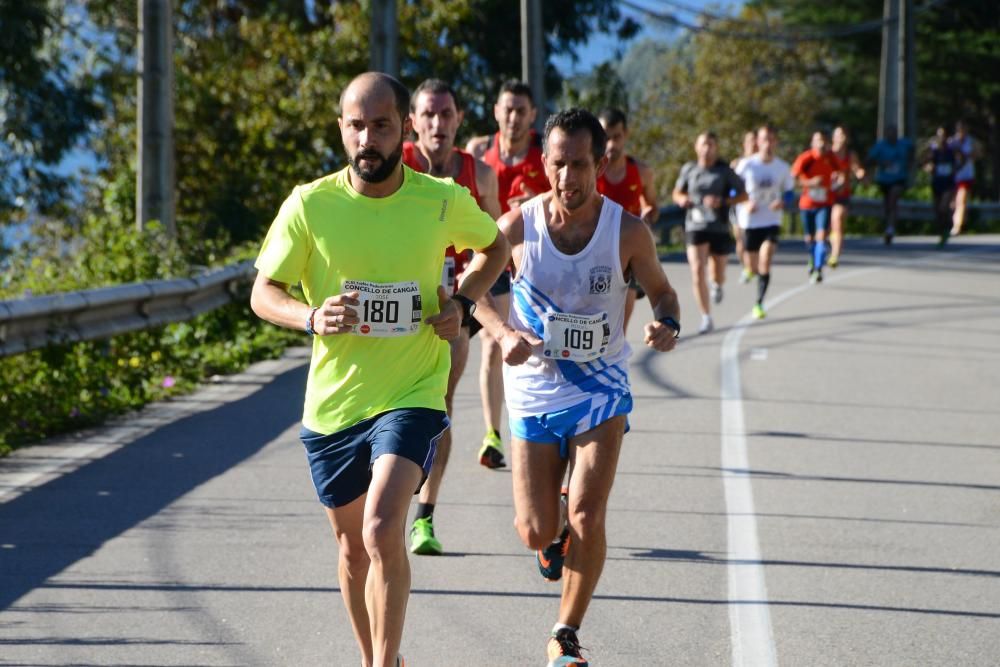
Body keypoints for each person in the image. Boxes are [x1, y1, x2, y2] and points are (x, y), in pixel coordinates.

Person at [249, 72, 510, 667]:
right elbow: (265, 291)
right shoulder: (309, 204)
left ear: (405, 129)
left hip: (413, 388)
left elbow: (495, 247)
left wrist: (463, 301)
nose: (369, 138)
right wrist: (311, 317)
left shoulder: (438, 197)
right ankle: (380, 657)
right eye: (357, 126)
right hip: (335, 403)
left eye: (381, 126)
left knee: (379, 527)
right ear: (342, 130)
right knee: (351, 551)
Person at [473, 108, 680, 667]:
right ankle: (553, 530)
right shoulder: (517, 226)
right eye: (559, 165)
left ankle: (565, 635)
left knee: (589, 514)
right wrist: (501, 330)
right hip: (535, 388)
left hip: (601, 387)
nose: (569, 178)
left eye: (581, 165)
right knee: (535, 530)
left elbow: (664, 292)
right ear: (545, 164)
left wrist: (667, 324)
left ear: (601, 162)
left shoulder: (627, 231)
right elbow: (473, 287)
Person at [401, 78, 503, 555]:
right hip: (398, 303)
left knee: (439, 402)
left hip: (454, 306)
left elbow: (497, 242)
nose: (437, 123)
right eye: (428, 115)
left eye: (446, 114)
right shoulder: (394, 164)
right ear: (413, 122)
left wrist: (470, 300)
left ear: (459, 119)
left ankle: (424, 516)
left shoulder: (478, 174)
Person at [465, 80, 552, 470]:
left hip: (534, 263)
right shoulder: (479, 152)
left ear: (532, 116)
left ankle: (534, 422)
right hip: (491, 257)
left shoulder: (544, 154)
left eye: (521, 110)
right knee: (492, 342)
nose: (513, 117)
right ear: (496, 111)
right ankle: (492, 433)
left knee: (533, 346)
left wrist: (531, 206)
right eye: (507, 109)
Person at [672, 131, 747, 334]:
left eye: (711, 144)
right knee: (697, 270)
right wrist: (681, 199)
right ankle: (706, 317)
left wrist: (723, 201)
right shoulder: (689, 169)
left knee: (718, 272)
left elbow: (744, 195)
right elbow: (677, 192)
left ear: (716, 148)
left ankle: (717, 284)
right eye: (703, 144)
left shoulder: (724, 171)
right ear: (696, 147)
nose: (707, 148)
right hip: (695, 225)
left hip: (719, 226)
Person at [595, 108, 658, 332]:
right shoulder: (590, 172)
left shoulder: (641, 172)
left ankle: (614, 360)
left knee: (619, 324)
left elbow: (652, 205)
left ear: (626, 135)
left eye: (616, 137)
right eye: (606, 137)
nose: (611, 144)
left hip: (628, 251)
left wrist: (649, 211)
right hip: (595, 251)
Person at [735, 125, 794, 319]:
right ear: (757, 142)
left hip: (772, 220)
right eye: (764, 140)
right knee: (752, 266)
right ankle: (749, 271)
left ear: (775, 142)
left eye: (771, 140)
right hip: (750, 221)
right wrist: (745, 202)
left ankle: (759, 303)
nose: (767, 144)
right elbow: (732, 191)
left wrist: (783, 202)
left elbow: (790, 193)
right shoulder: (747, 165)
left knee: (766, 258)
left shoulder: (782, 167)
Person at [792, 131, 837, 284]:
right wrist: (810, 183)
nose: (821, 144)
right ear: (812, 143)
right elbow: (793, 180)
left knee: (821, 236)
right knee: (809, 238)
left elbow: (842, 172)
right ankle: (812, 259)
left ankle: (818, 269)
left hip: (824, 204)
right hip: (807, 203)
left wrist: (839, 180)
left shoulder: (831, 158)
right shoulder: (806, 158)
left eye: (824, 140)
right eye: (818, 140)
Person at [867, 124, 913, 244]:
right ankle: (889, 225)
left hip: (899, 178)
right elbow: (869, 159)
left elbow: (913, 150)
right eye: (889, 132)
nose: (892, 135)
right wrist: (881, 162)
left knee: (893, 199)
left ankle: (890, 228)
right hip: (885, 179)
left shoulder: (904, 143)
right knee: (888, 204)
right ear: (886, 134)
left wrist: (909, 164)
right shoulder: (880, 146)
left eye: (894, 132)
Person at [828, 126, 865, 267]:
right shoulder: (828, 154)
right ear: (833, 138)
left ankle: (834, 255)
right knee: (828, 227)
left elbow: (856, 168)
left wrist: (860, 173)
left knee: (838, 220)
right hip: (827, 194)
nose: (841, 138)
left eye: (843, 135)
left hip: (843, 194)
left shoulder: (850, 155)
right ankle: (829, 246)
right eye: (838, 135)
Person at [923, 125, 958, 247]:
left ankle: (948, 225)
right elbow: (925, 164)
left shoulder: (951, 151)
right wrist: (929, 168)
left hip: (948, 183)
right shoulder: (933, 151)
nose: (941, 138)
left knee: (944, 207)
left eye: (943, 136)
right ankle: (942, 231)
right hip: (937, 183)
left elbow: (960, 161)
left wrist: (954, 170)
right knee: (938, 210)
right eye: (939, 135)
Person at [733, 130, 758, 283]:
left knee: (754, 241)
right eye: (749, 141)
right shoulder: (737, 163)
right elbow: (730, 187)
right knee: (740, 240)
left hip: (758, 209)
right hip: (739, 208)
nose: (753, 144)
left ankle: (753, 267)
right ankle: (746, 267)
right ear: (744, 144)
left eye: (755, 141)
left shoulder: (764, 162)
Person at [950, 120, 981, 236]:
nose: (962, 132)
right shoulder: (952, 142)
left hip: (966, 175)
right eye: (960, 130)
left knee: (961, 200)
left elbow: (978, 155)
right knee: (953, 203)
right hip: (953, 175)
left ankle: (956, 226)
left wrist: (968, 154)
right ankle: (963, 221)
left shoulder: (971, 141)